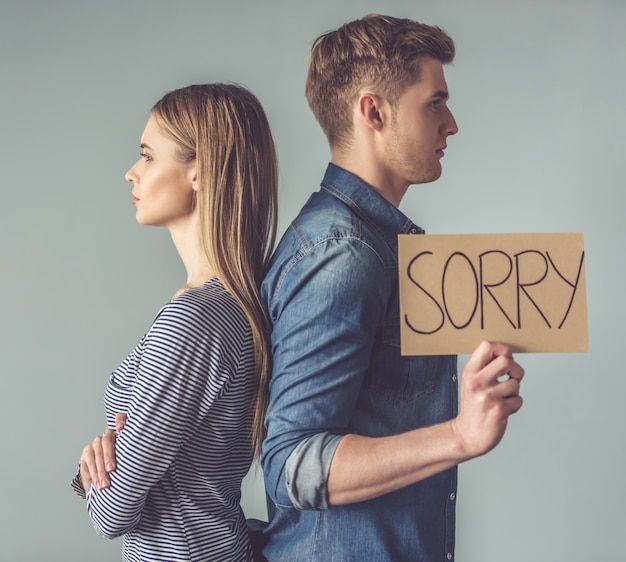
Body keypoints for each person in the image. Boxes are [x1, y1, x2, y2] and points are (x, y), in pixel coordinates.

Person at [258, 14, 524, 561]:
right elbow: (290, 464)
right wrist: (460, 435)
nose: (452, 124)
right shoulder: (343, 253)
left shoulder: (376, 246)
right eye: (434, 102)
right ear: (373, 111)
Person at [72, 83, 278, 562]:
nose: (130, 173)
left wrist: (94, 473)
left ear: (198, 172)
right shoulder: (233, 304)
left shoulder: (194, 319)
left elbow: (111, 515)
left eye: (147, 156)